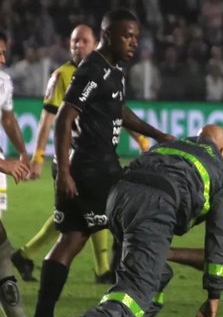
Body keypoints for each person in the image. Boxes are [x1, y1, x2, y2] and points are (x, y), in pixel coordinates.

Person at [22, 10, 174, 317]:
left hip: (90, 169)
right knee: (135, 233)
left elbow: (118, 110)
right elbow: (64, 117)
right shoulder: (93, 68)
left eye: (136, 36)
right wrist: (63, 171)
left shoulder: (113, 70)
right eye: (127, 36)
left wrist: (157, 134)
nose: (133, 42)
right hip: (93, 170)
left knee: (71, 240)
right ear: (108, 36)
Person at [61, 125, 223, 317]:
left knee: (158, 273)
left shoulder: (169, 146)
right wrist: (214, 294)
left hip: (119, 197)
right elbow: (220, 234)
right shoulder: (221, 170)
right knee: (138, 291)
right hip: (154, 206)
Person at [11, 24, 151, 285]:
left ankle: (26, 254)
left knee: (78, 217)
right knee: (94, 211)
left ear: (95, 42)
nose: (78, 46)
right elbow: (49, 119)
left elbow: (116, 111)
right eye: (74, 41)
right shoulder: (62, 75)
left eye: (83, 41)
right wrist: (38, 157)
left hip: (95, 158)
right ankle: (101, 270)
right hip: (74, 159)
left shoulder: (108, 71)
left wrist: (143, 139)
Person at [0, 31, 34, 317]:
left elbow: (7, 118)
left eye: (3, 52)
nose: (2, 59)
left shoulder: (3, 82)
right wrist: (3, 164)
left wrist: (21, 152)